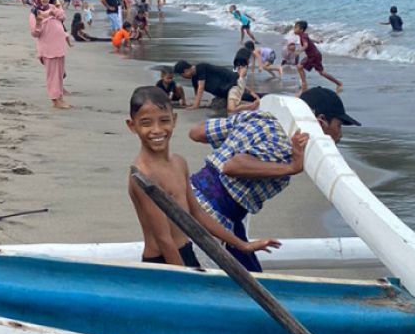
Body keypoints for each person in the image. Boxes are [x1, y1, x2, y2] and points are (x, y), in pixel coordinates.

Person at [188, 87, 360, 271]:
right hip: (212, 216)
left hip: (189, 195)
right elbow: (233, 166)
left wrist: (238, 134)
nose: (340, 134)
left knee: (251, 274)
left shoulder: (258, 118)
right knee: (245, 287)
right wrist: (291, 168)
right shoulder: (285, 145)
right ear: (321, 122)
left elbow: (196, 133)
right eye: (339, 125)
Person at [127, 85, 280, 269]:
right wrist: (184, 279)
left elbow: (197, 213)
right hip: (162, 263)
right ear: (132, 126)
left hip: (185, 253)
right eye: (146, 123)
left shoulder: (179, 163)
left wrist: (242, 245)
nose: (157, 130)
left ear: (174, 120)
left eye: (164, 120)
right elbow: (163, 239)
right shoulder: (143, 175)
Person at [30, 0, 72, 110]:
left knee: (59, 75)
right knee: (52, 75)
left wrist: (53, 10)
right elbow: (35, 33)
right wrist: (39, 22)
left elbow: (63, 16)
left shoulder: (53, 7)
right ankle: (55, 100)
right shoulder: (34, 13)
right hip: (48, 48)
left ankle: (60, 97)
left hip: (59, 46)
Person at [293, 20, 344, 94]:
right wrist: (317, 41)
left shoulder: (303, 36)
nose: (294, 29)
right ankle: (304, 84)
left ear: (301, 30)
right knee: (301, 67)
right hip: (313, 55)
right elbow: (309, 41)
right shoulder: (304, 35)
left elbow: (305, 45)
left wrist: (299, 51)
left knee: (319, 72)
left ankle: (339, 83)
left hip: (314, 56)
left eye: (296, 28)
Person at [174, 60, 245, 110]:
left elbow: (201, 88)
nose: (183, 77)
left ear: (186, 71)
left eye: (182, 75)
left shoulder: (200, 67)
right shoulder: (194, 78)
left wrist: (196, 106)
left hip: (232, 84)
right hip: (224, 92)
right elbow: (197, 92)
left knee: (245, 98)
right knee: (217, 106)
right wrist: (195, 103)